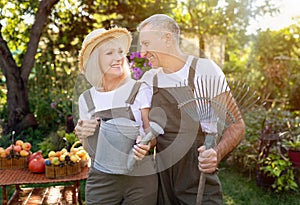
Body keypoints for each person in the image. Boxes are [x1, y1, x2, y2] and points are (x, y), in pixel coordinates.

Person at [137, 14, 245, 205]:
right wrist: (145, 142)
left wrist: (217, 153)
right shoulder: (150, 79)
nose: (142, 52)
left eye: (146, 43)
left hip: (197, 172)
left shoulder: (205, 70)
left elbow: (237, 125)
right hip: (163, 176)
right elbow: (152, 136)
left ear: (167, 39)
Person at [75, 27, 157, 205]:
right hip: (102, 180)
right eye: (109, 53)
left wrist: (147, 143)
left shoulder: (140, 89)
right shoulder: (87, 99)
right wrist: (82, 134)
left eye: (120, 52)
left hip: (140, 177)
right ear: (95, 60)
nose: (118, 57)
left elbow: (151, 132)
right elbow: (90, 149)